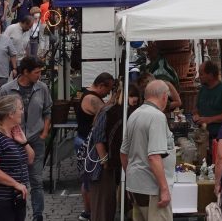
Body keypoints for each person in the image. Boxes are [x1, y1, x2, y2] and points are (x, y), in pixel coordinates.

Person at [0, 56, 52, 221]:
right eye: (36, 72)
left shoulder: (42, 88)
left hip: (35, 140)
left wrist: (44, 133)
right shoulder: (7, 90)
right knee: (15, 180)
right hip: (12, 142)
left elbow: (48, 110)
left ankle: (38, 215)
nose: (39, 76)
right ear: (25, 72)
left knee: (36, 179)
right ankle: (15, 214)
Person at [121, 79, 176, 220]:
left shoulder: (134, 114)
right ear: (164, 96)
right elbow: (154, 156)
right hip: (152, 188)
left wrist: (131, 178)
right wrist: (164, 189)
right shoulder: (157, 117)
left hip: (136, 185)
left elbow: (123, 153)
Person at [89, 84, 141, 221]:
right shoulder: (109, 111)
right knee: (103, 205)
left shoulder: (120, 111)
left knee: (109, 203)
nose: (133, 104)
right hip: (101, 164)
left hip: (111, 163)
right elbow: (98, 138)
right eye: (132, 100)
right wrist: (105, 160)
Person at [75, 73, 115, 221]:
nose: (108, 93)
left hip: (85, 140)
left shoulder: (90, 94)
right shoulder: (91, 99)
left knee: (88, 179)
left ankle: (89, 212)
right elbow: (106, 113)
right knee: (89, 180)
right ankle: (89, 212)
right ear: (101, 86)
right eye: (108, 89)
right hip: (87, 143)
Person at [193, 60, 222, 151]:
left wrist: (210, 119)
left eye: (201, 74)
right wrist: (196, 115)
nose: (199, 77)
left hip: (219, 137)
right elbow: (196, 108)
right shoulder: (202, 90)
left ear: (211, 75)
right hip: (204, 137)